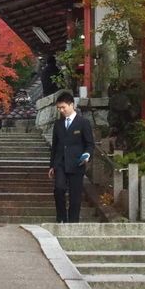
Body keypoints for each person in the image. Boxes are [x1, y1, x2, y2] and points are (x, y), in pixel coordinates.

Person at [47, 90, 94, 223]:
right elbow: (55, 145)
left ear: (71, 105)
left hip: (77, 163)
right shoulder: (58, 124)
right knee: (59, 188)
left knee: (75, 195)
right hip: (61, 162)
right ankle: (61, 218)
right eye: (59, 108)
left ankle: (73, 221)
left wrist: (87, 155)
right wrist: (52, 165)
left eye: (63, 107)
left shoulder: (83, 123)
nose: (61, 110)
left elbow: (89, 143)